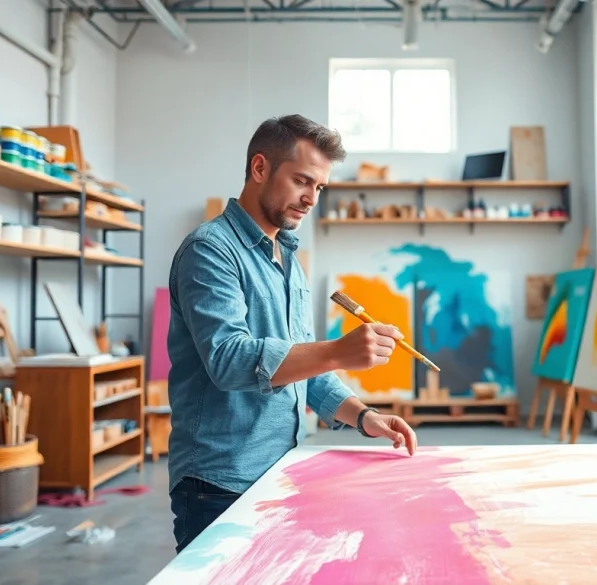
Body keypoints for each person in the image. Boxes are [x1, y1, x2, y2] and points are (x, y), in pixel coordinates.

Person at [165, 114, 418, 553]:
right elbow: (228, 360)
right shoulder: (210, 250)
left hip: (281, 469)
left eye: (319, 187)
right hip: (219, 483)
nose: (311, 198)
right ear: (260, 167)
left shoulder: (288, 260)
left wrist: (363, 416)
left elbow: (304, 369)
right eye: (302, 180)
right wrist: (337, 351)